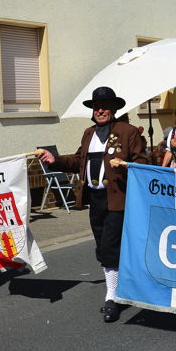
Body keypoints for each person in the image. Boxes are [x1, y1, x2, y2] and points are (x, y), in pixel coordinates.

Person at [35, 87, 147, 322]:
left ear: (114, 109)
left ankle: (112, 297)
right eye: (97, 107)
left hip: (118, 198)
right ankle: (120, 288)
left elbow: (144, 161)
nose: (100, 110)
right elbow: (78, 160)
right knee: (102, 247)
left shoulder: (128, 132)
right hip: (94, 200)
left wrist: (125, 164)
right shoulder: (88, 133)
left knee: (109, 247)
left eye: (105, 106)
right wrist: (54, 160)